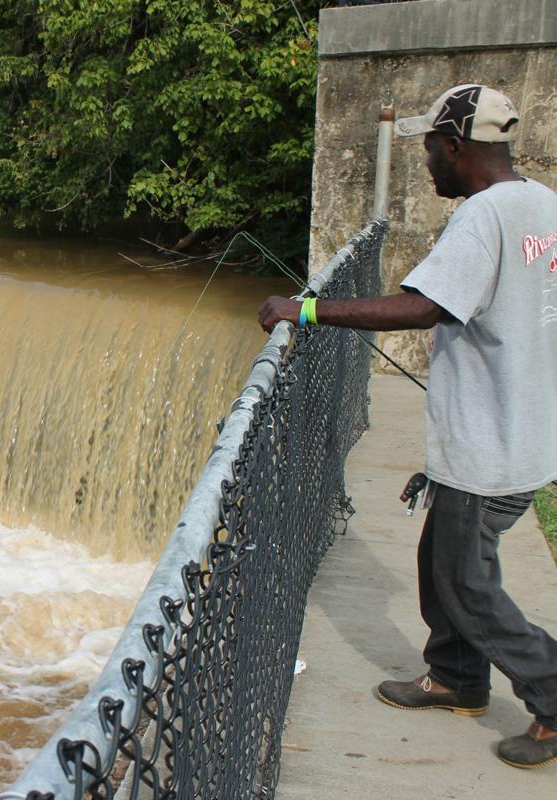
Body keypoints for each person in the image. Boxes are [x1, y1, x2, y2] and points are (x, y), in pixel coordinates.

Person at [258, 84, 557, 769]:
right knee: (441, 563)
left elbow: (422, 308)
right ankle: (455, 678)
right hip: (526, 430)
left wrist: (305, 311)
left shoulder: (482, 219)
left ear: (456, 146)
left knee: (467, 586)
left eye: (429, 149)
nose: (426, 164)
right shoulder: (543, 205)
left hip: (489, 442)